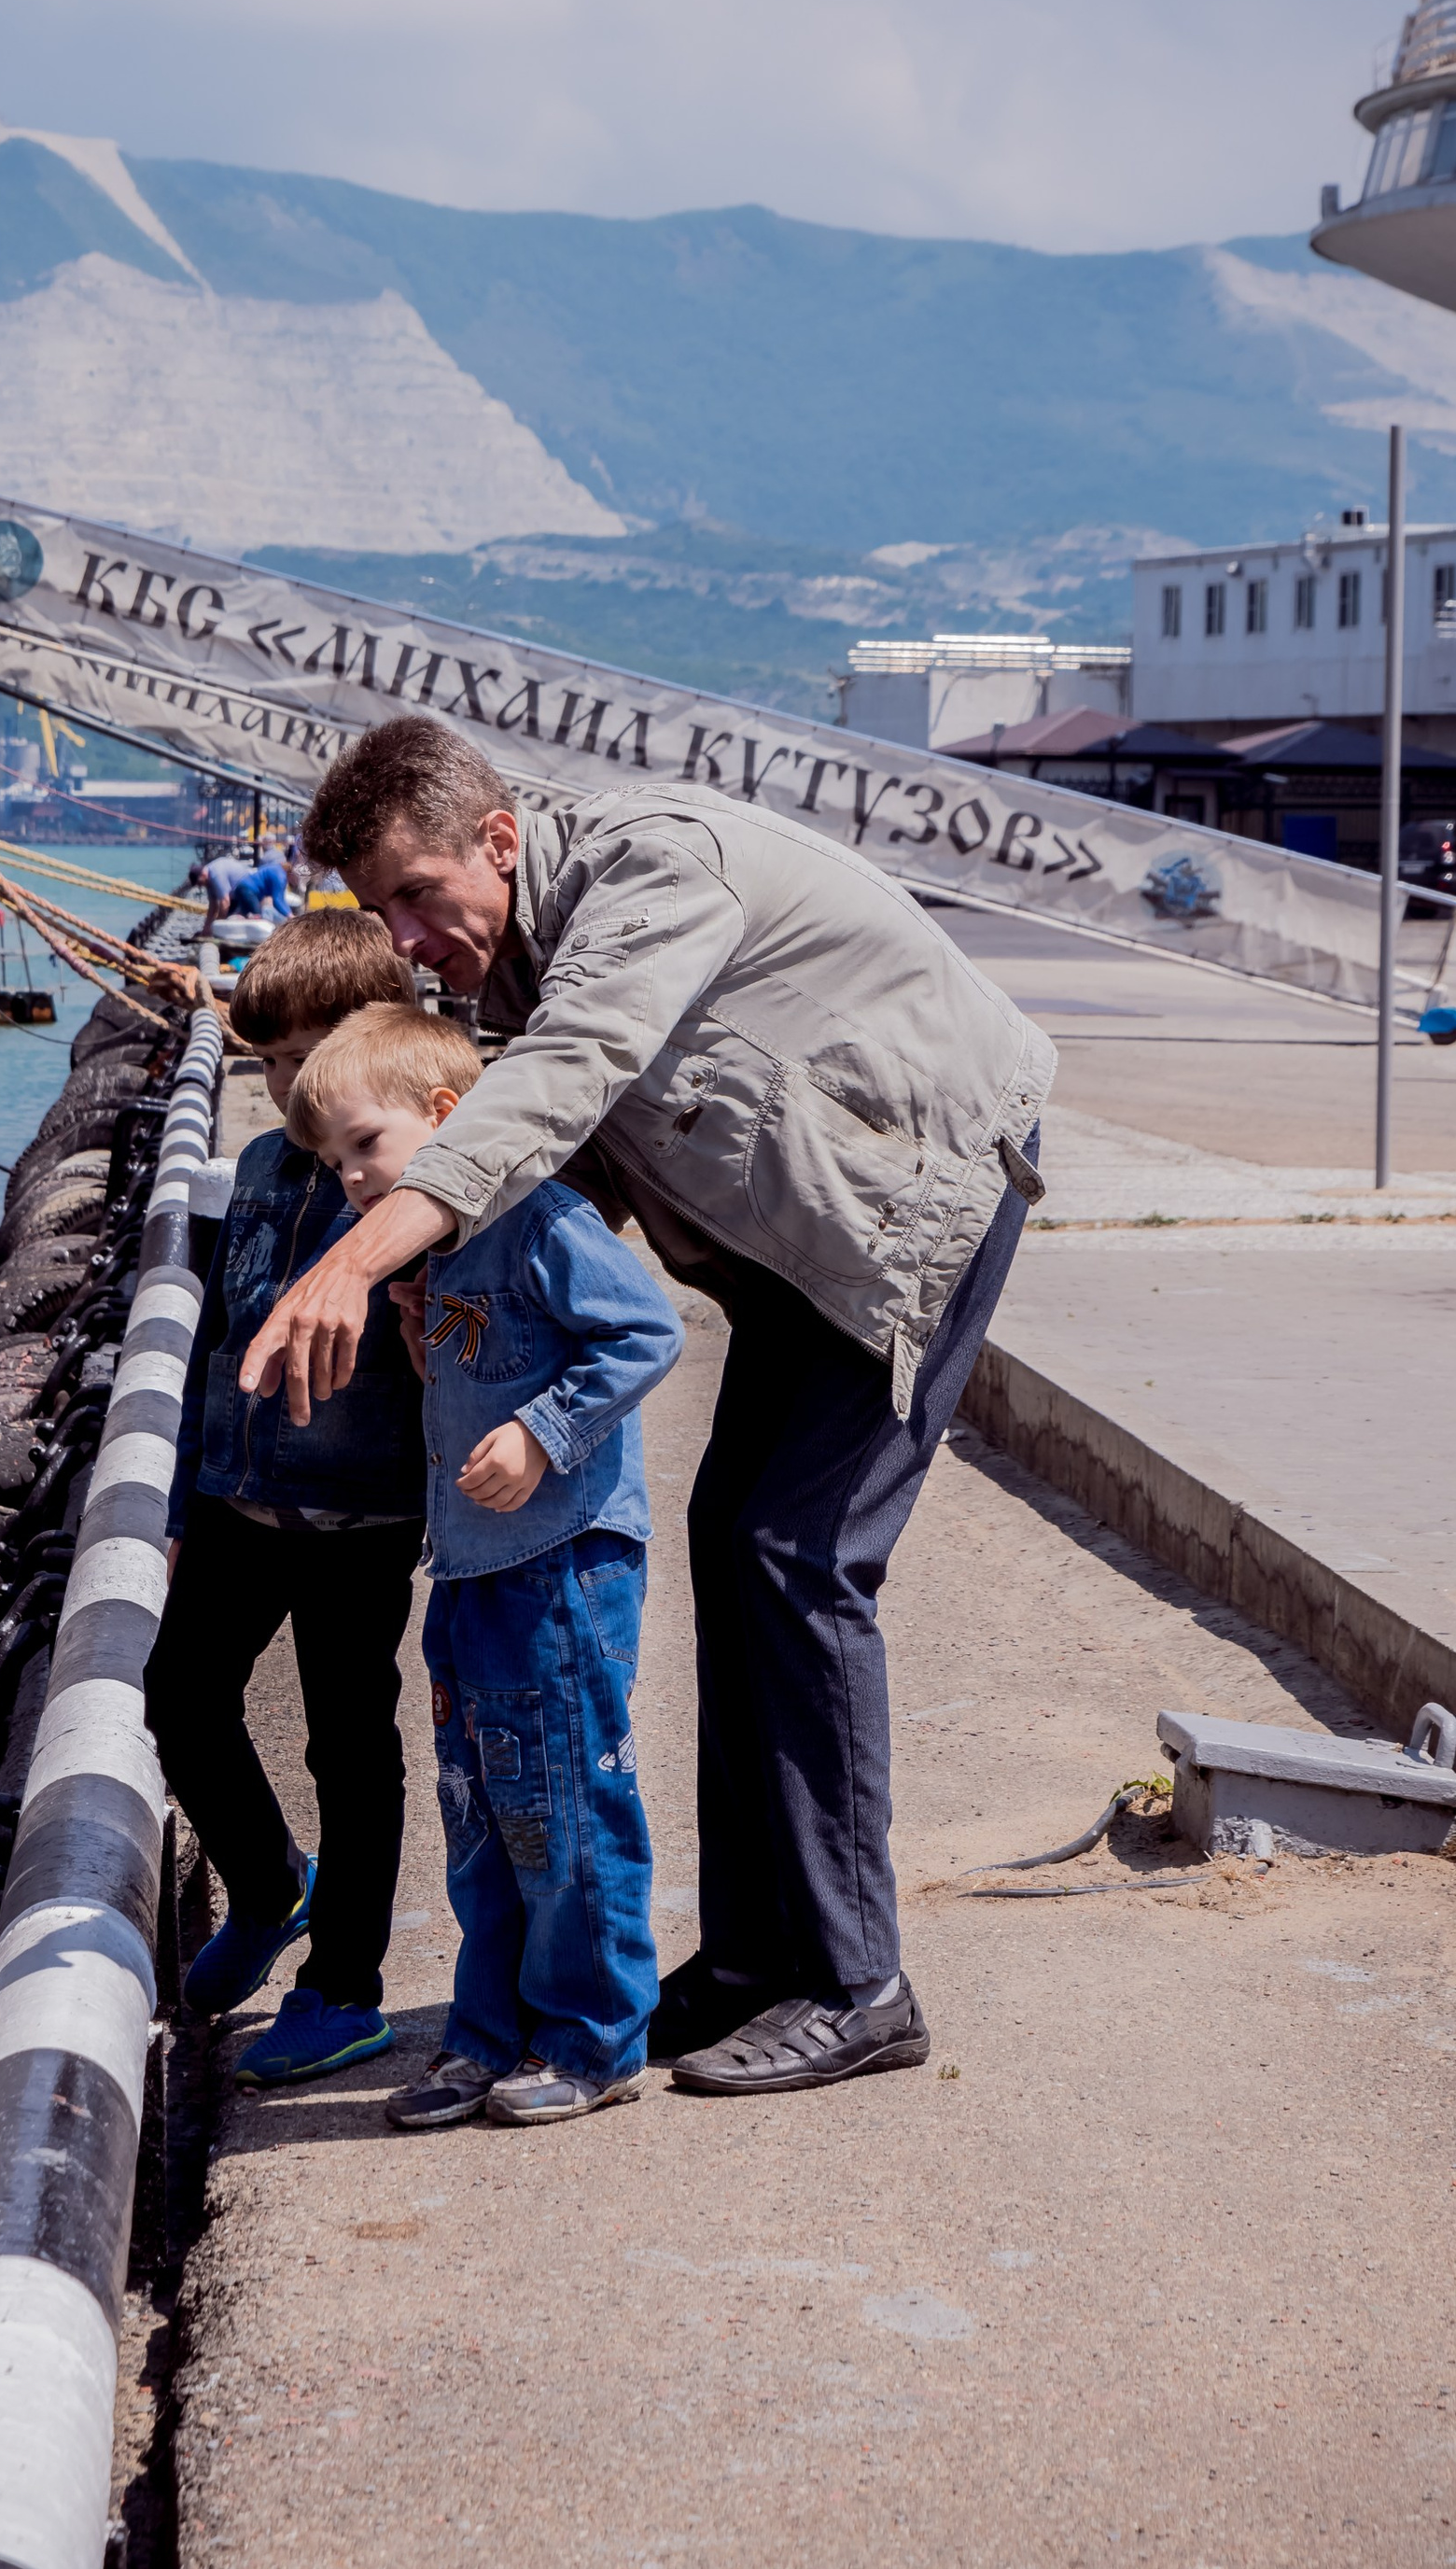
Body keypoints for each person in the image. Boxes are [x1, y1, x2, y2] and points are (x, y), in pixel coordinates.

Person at [241, 717, 1053, 2105]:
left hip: (913, 1205)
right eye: (380, 914)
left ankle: (861, 1984)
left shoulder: (651, 876)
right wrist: (457, 1304)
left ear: (498, 842)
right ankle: (752, 1958)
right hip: (802, 1245)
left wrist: (351, 1264)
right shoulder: (521, 951)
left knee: (801, 1566)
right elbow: (562, 1167)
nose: (408, 940)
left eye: (418, 900)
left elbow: (570, 1074)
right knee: (738, 1546)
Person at [283, 1002, 682, 2129]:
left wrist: (543, 1431)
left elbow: (646, 1333)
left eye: (366, 1146)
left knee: (565, 1802)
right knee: (484, 1813)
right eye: (333, 1161)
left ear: (447, 1119)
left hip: (559, 1564)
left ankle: (593, 2038)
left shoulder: (541, 1219)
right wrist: (420, 1347)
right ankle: (488, 2030)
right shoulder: (441, 1251)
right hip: (468, 1568)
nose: (353, 1180)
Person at [144, 912, 427, 2087]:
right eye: (266, 1062)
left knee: (349, 1746)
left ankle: (344, 1987)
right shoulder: (254, 1173)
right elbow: (214, 1339)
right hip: (238, 1502)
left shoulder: (410, 1188)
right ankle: (270, 1887)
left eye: (308, 1058)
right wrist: (176, 1498)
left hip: (360, 1521)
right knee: (178, 1694)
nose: (286, 1086)